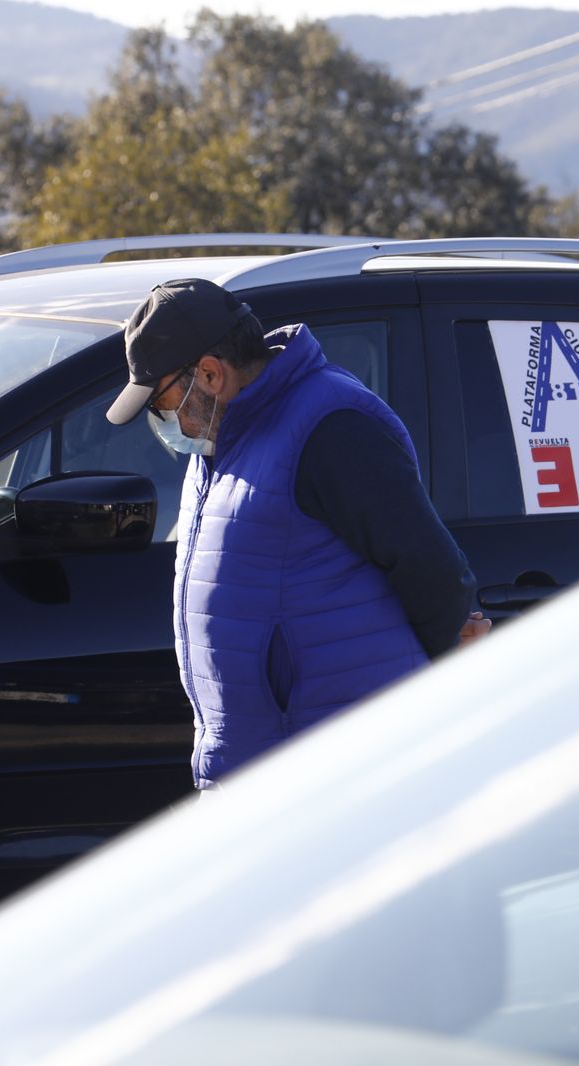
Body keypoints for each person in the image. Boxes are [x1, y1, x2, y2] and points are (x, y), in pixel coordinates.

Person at [107, 278, 490, 792]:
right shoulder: (225, 437)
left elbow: (433, 570)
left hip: (335, 779)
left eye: (160, 401)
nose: (161, 419)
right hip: (268, 773)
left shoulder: (332, 427)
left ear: (209, 373)